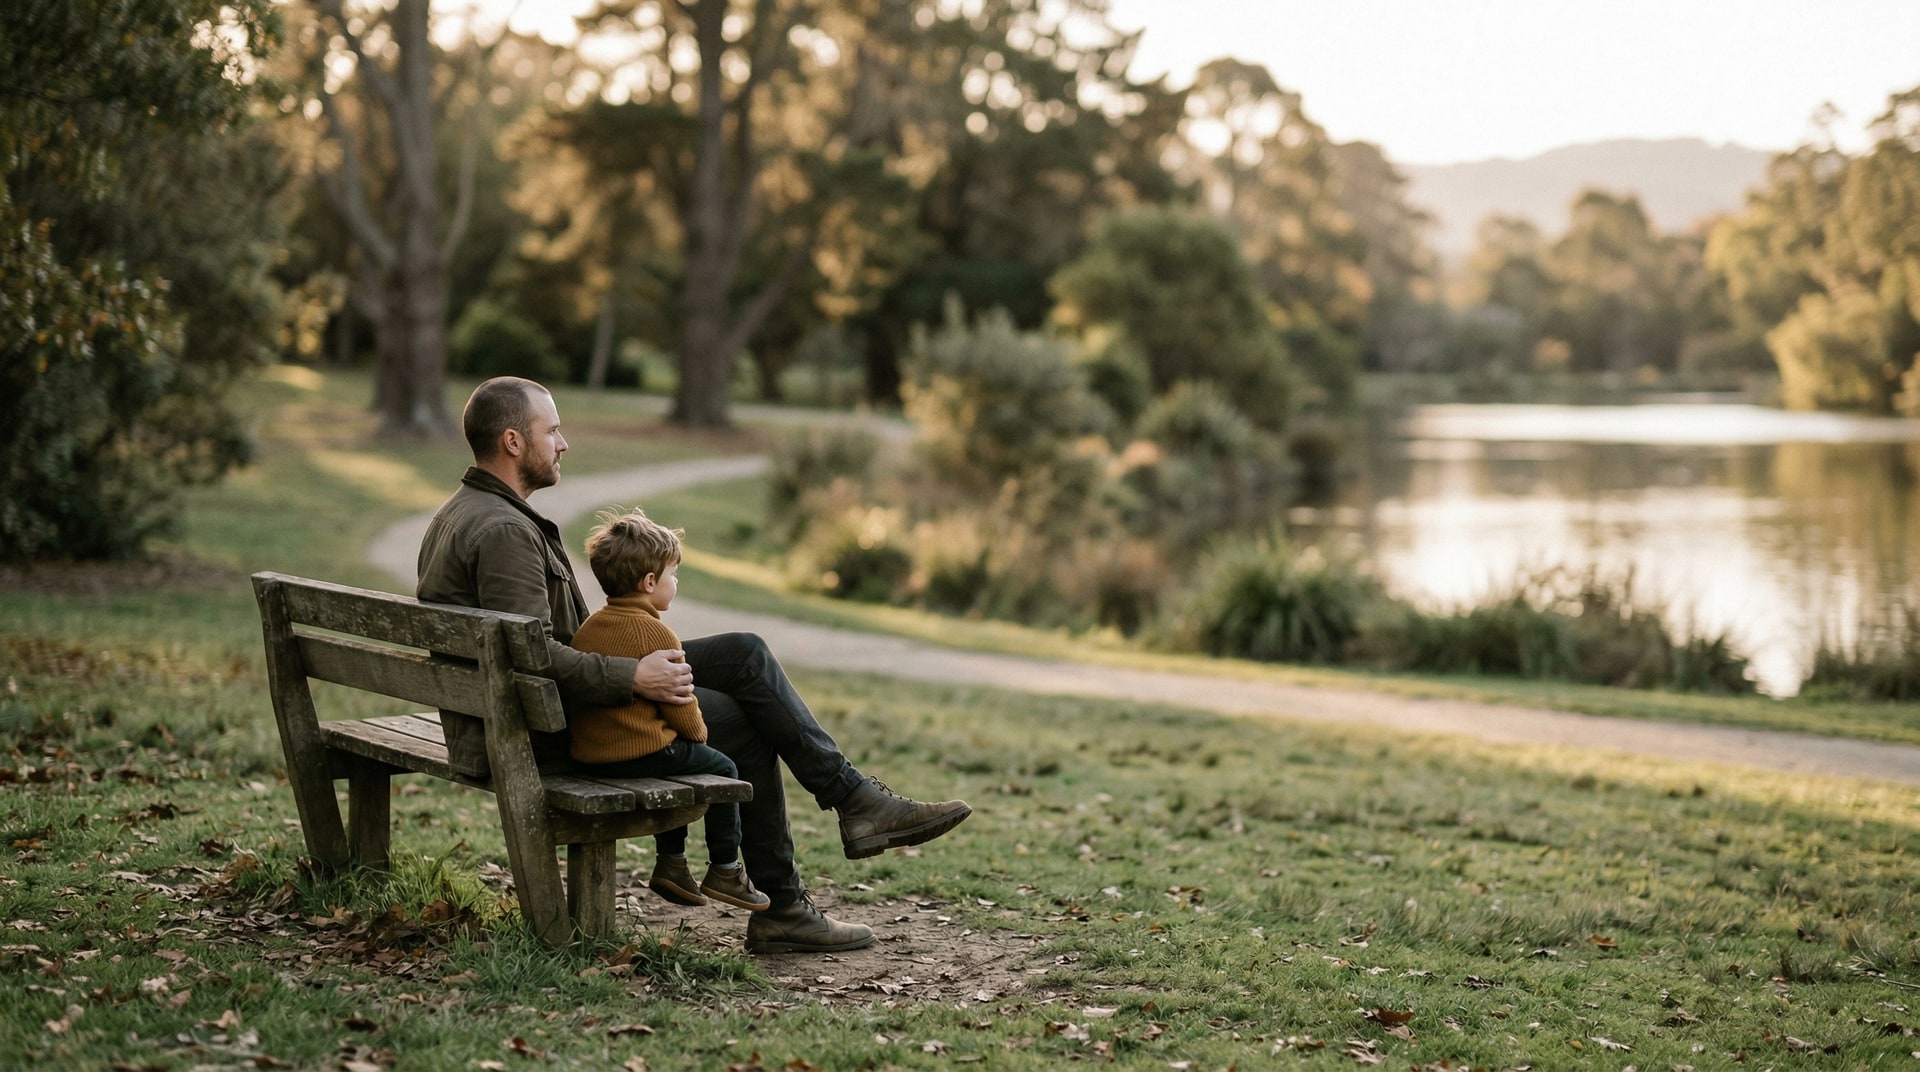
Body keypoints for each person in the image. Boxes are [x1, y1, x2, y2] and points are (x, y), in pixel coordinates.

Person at [415, 376, 971, 954]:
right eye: (551, 430)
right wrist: (633, 676)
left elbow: (529, 652)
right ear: (511, 441)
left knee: (744, 653)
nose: (563, 443)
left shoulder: (471, 511)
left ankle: (851, 804)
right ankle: (796, 892)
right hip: (533, 734)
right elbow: (526, 657)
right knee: (747, 721)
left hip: (526, 713)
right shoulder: (504, 529)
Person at [566, 507, 767, 912]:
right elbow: (680, 701)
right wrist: (698, 734)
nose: (676, 583)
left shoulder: (589, 628)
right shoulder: (656, 631)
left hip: (590, 756)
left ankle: (673, 863)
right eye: (674, 575)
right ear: (650, 582)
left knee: (674, 759)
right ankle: (726, 869)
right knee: (721, 768)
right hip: (639, 753)